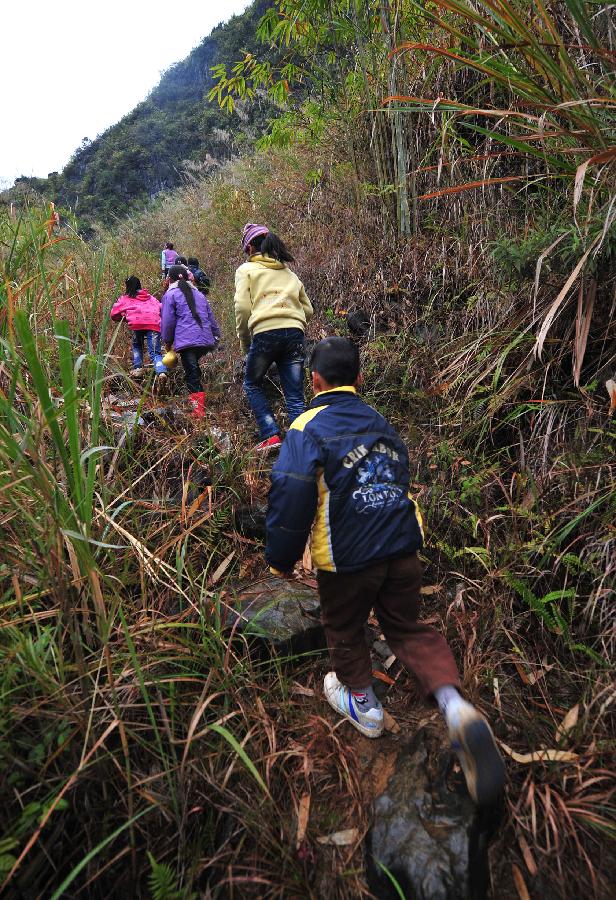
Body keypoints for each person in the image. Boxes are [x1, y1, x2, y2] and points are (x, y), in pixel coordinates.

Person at [265, 337, 505, 806]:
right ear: (359, 379)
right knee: (407, 626)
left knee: (343, 625)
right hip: (401, 548)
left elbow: (292, 491)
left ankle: (364, 705)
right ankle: (454, 707)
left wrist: (280, 555)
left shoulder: (306, 426)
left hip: (348, 558)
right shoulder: (381, 422)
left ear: (314, 380)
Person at [234, 223, 313, 452]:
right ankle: (300, 441)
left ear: (249, 247)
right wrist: (293, 317)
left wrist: (245, 342)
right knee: (295, 395)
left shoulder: (246, 271)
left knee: (251, 383)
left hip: (265, 333)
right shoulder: (289, 273)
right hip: (294, 333)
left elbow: (242, 308)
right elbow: (308, 309)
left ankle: (270, 434)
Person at [161, 265, 221, 418]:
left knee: (191, 374)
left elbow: (168, 322)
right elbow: (211, 318)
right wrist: (216, 336)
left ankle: (198, 412)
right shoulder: (199, 294)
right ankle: (200, 401)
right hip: (205, 340)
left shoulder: (170, 295)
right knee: (193, 369)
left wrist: (167, 342)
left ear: (170, 279)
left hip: (187, 341)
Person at [111, 276, 167, 380]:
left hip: (136, 324)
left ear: (127, 286)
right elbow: (161, 307)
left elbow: (113, 314)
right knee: (155, 351)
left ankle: (138, 368)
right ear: (139, 284)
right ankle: (161, 371)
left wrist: (123, 316)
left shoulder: (125, 298)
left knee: (137, 345)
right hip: (154, 324)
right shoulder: (150, 297)